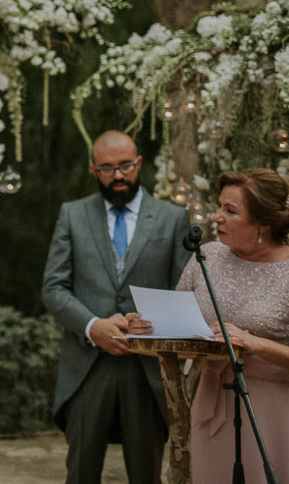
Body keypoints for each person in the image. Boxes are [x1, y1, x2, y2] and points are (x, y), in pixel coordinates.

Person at [139, 169, 289, 483]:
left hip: (271, 410)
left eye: (230, 211)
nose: (216, 217)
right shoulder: (206, 256)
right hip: (209, 400)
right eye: (219, 207)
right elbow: (176, 322)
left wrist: (255, 344)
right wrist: (145, 325)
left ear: (264, 222)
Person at [42, 130, 191, 483]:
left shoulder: (173, 219)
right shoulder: (72, 215)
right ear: (94, 171)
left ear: (139, 164)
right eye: (108, 168)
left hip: (148, 368)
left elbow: (183, 291)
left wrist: (153, 324)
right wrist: (94, 326)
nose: (118, 175)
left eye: (125, 165)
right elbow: (53, 286)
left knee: (146, 474)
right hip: (88, 366)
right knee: (81, 473)